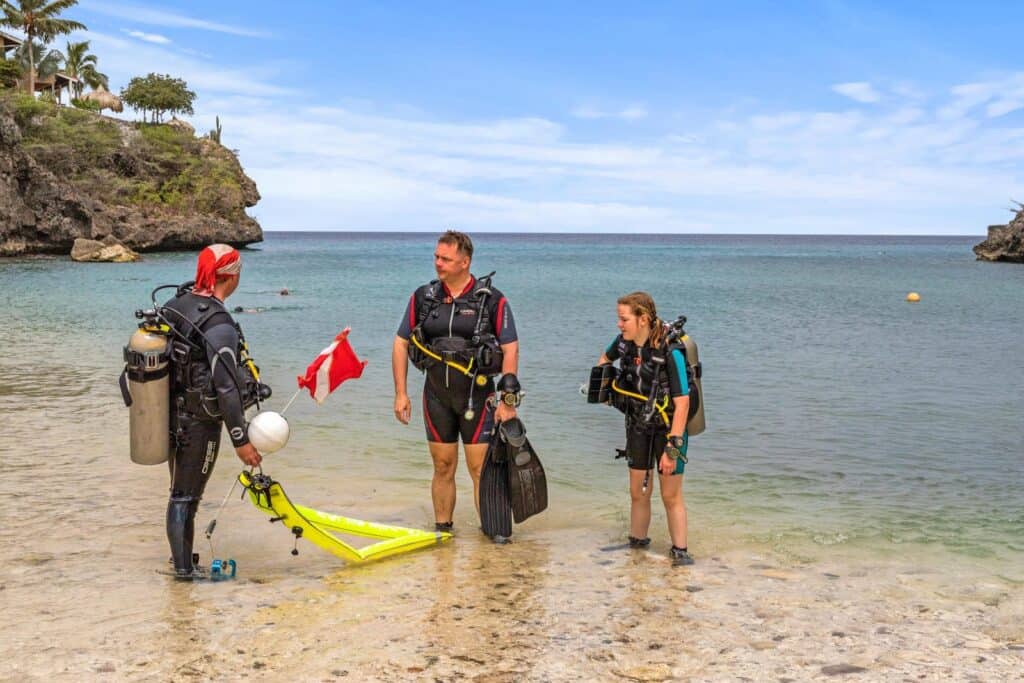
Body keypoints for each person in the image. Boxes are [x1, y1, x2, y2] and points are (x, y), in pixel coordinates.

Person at [392, 230, 520, 533]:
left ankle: (492, 533)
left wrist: (508, 402)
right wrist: (401, 393)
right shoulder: (424, 297)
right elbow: (400, 343)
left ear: (465, 262)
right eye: (437, 256)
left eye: (445, 258)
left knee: (480, 469)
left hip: (478, 397)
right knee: (443, 466)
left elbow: (510, 348)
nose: (438, 263)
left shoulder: (491, 300)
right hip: (436, 396)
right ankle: (442, 532)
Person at [160, 244, 267, 578]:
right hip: (199, 424)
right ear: (229, 276)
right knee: (185, 497)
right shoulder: (218, 323)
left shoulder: (177, 303)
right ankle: (183, 574)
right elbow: (226, 388)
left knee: (179, 490)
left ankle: (181, 558)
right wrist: (241, 440)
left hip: (170, 414)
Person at [596, 292, 694, 566]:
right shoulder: (623, 344)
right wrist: (605, 391)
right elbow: (603, 359)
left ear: (643, 319)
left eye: (624, 319)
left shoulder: (669, 350)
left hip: (669, 427)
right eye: (619, 318)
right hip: (638, 423)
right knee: (638, 491)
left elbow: (683, 402)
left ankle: (680, 553)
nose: (619, 324)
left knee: (669, 494)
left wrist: (672, 447)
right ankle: (637, 546)